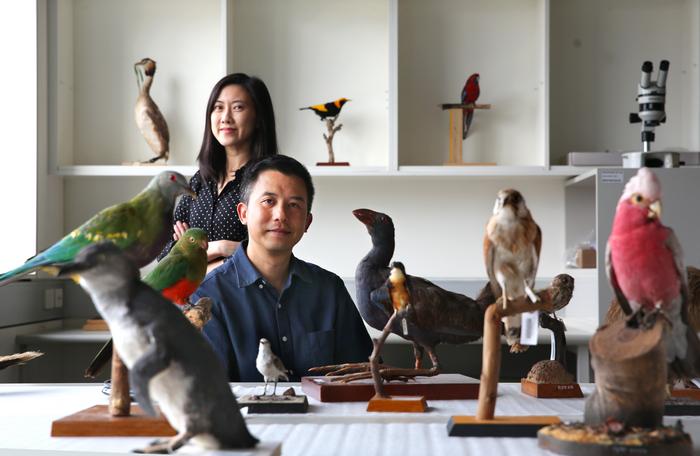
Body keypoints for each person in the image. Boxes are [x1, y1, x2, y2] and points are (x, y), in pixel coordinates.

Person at [193, 155, 373, 381]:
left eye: (294, 205)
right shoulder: (209, 297)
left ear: (307, 222)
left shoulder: (329, 290)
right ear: (243, 213)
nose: (281, 215)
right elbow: (210, 394)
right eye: (268, 201)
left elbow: (362, 379)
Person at [158, 73, 278, 273]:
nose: (225, 118)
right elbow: (165, 257)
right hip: (192, 302)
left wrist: (192, 253)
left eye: (238, 107)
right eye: (218, 107)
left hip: (242, 300)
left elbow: (266, 258)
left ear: (258, 118)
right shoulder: (199, 181)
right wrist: (220, 248)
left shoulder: (267, 183)